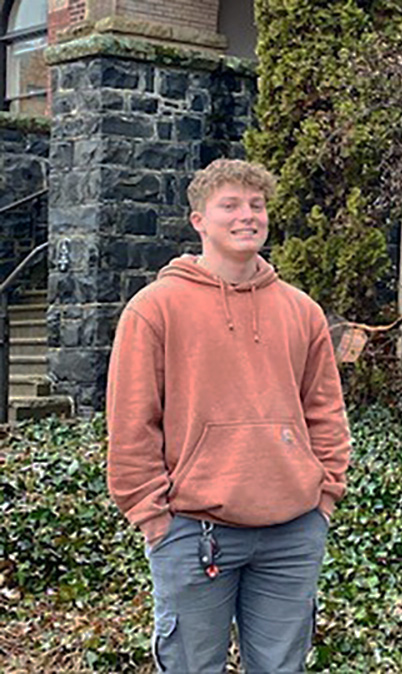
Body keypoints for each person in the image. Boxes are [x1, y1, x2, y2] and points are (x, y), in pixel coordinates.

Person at [106, 159, 351, 673]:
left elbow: (325, 410)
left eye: (256, 205)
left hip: (292, 532)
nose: (247, 216)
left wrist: (324, 496)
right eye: (231, 205)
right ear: (199, 220)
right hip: (194, 532)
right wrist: (154, 518)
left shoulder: (301, 310)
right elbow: (132, 422)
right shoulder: (155, 308)